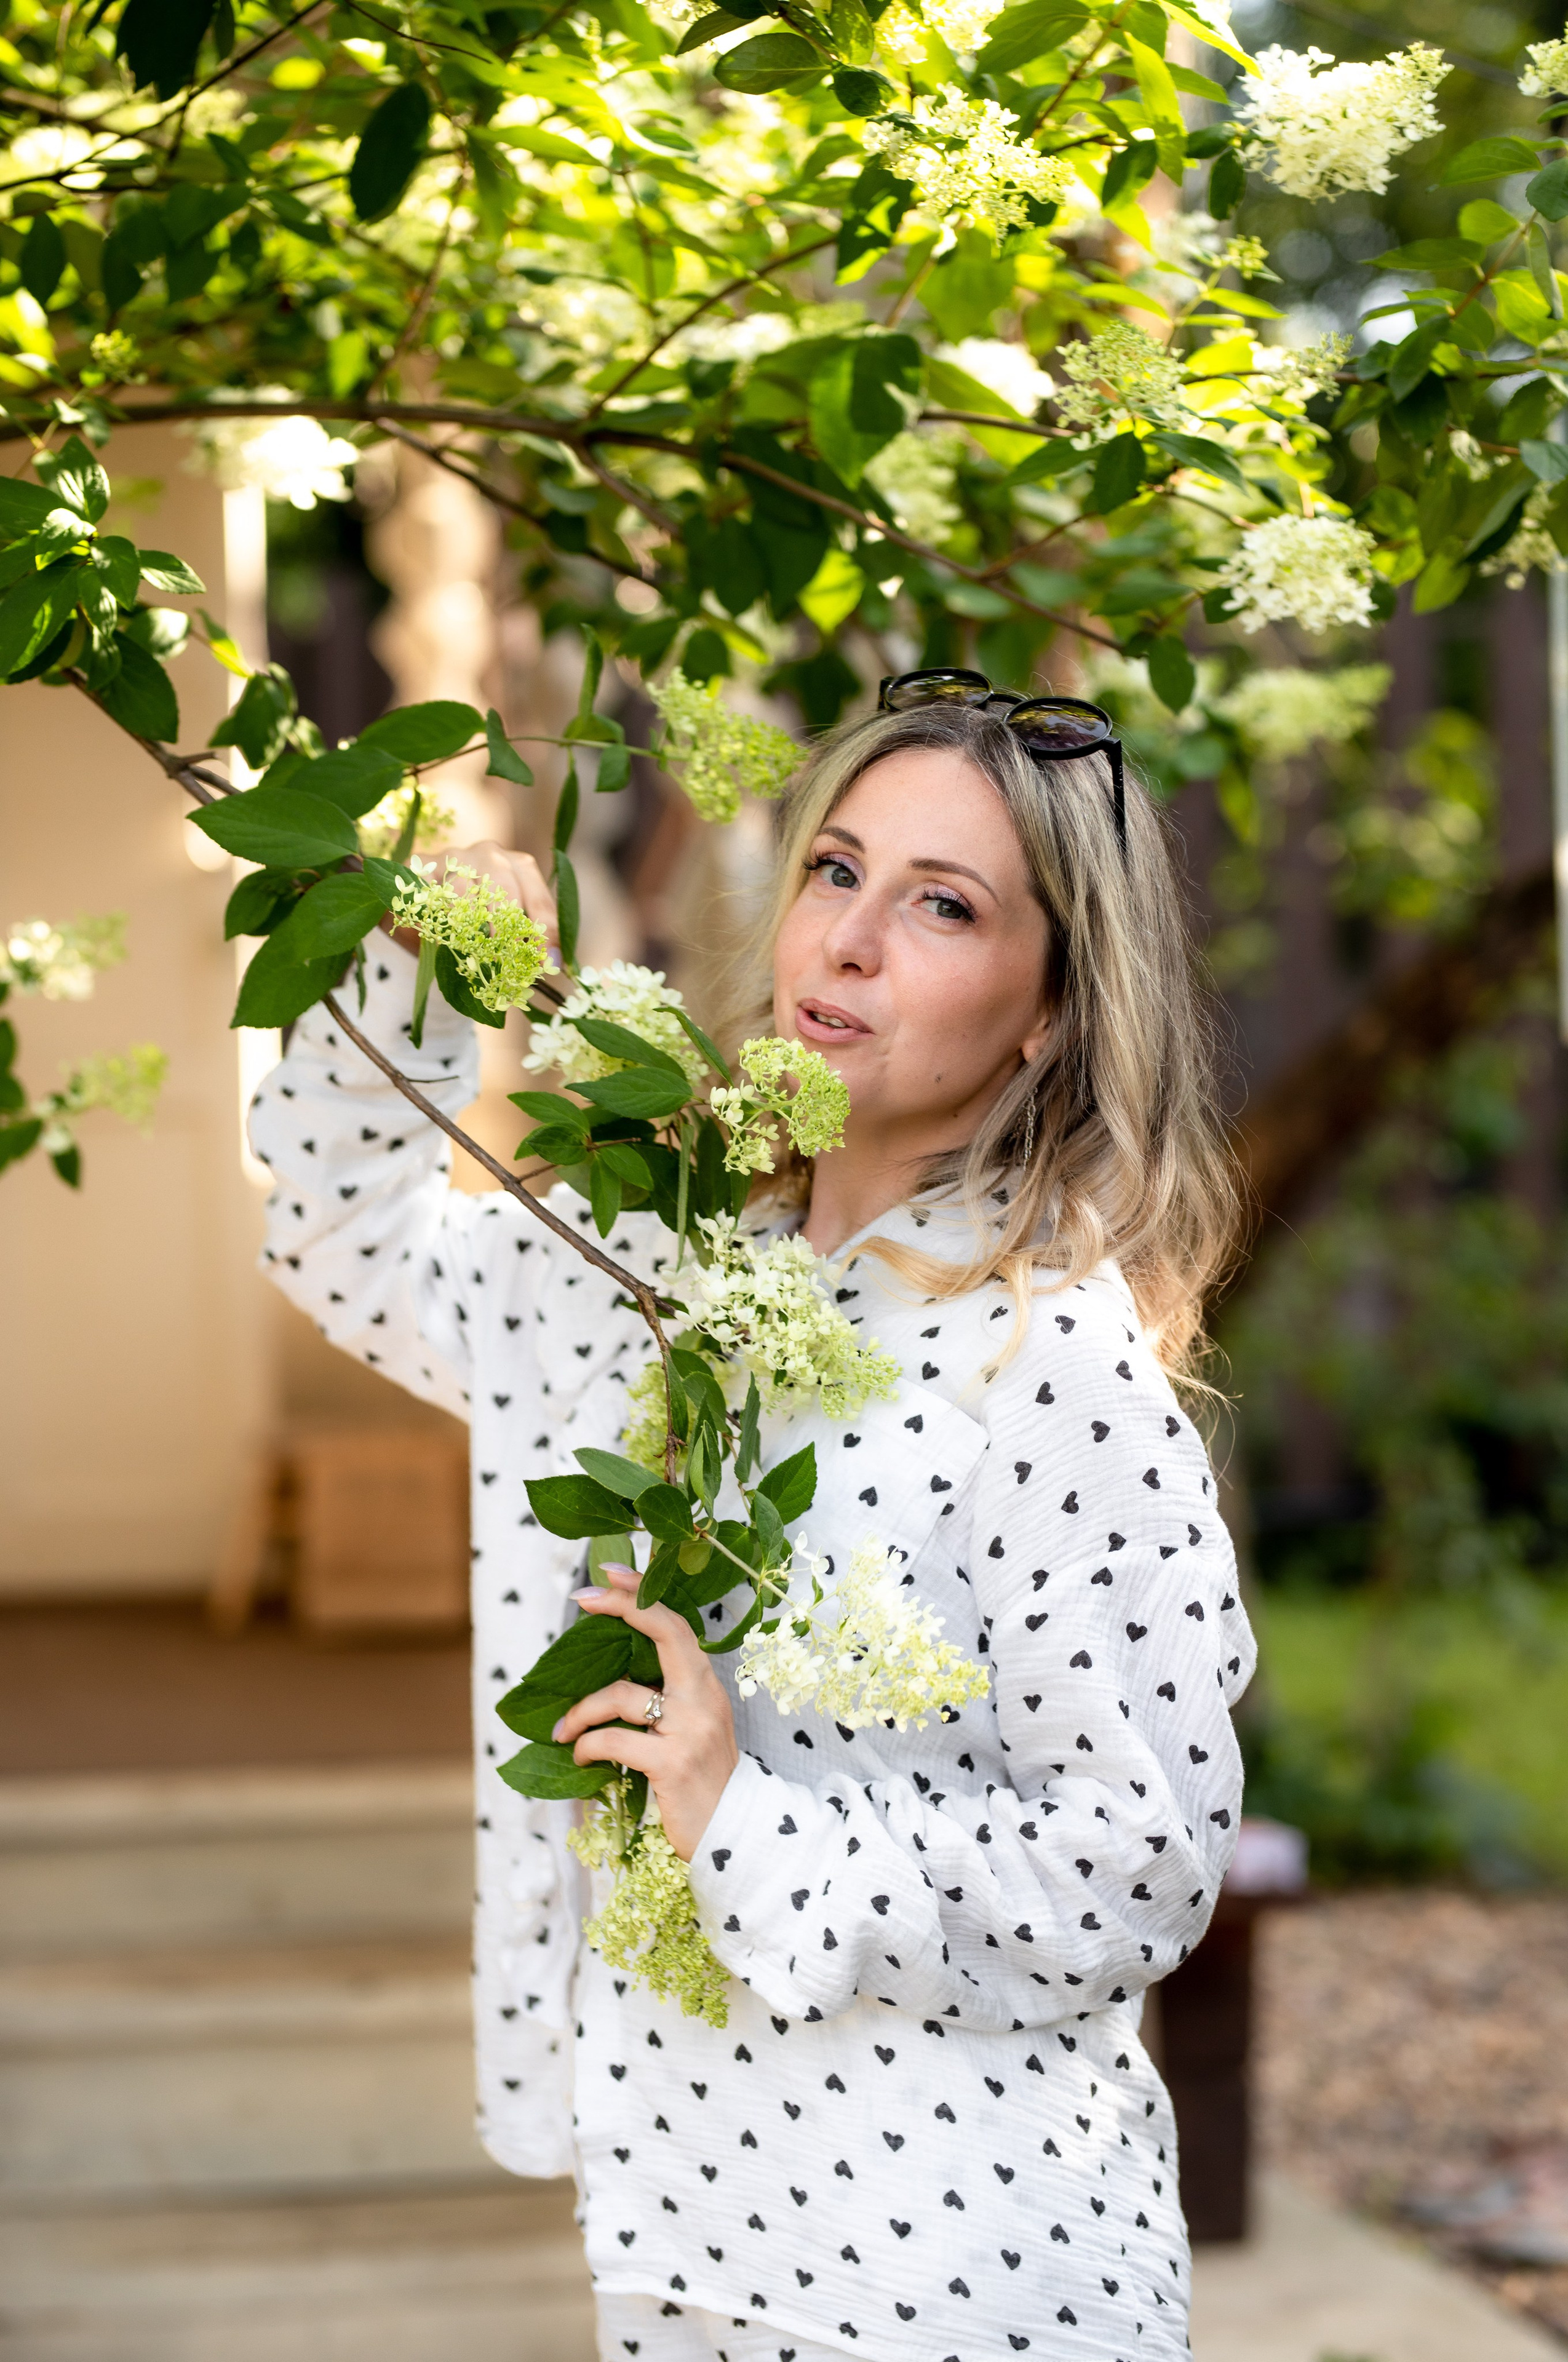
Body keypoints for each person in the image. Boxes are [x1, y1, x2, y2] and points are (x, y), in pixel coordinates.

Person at [250, 681, 1256, 2362]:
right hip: (679, 2222)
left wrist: (748, 1820)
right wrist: (413, 973)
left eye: (944, 905)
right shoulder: (658, 1252)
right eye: (837, 869)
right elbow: (350, 1255)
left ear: (1050, 1013)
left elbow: (1132, 1867)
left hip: (951, 2269)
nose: (849, 941)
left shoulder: (1046, 1364)